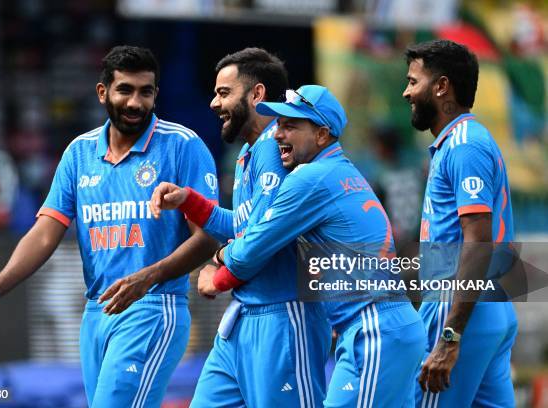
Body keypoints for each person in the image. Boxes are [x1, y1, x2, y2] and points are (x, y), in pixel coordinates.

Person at [0, 45, 219, 408]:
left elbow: (208, 236)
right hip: (95, 314)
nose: (135, 102)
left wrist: (149, 277)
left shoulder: (182, 146)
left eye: (146, 92)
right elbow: (45, 232)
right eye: (125, 90)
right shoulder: (78, 153)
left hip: (154, 308)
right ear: (102, 93)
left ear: (156, 94)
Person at [153, 85, 427, 407]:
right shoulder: (338, 171)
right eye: (279, 124)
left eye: (291, 126)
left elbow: (252, 247)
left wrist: (217, 270)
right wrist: (191, 202)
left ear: (323, 134)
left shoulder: (309, 179)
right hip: (381, 327)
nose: (278, 133)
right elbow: (250, 229)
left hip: (373, 330)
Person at [153, 48, 331, 407]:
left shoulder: (279, 151)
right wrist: (188, 199)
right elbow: (241, 224)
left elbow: (259, 242)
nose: (213, 104)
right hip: (244, 318)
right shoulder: (250, 153)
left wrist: (217, 270)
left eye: (223, 93)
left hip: (285, 316)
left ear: (257, 95)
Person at [402, 39, 517, 407]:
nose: (406, 92)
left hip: (459, 314)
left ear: (441, 87)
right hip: (492, 310)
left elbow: (477, 241)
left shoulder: (464, 146)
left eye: (413, 82)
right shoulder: (462, 142)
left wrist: (449, 337)